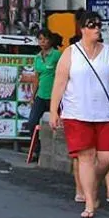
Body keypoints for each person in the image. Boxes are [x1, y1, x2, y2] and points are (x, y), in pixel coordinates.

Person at [50, 11, 109, 218]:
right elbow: (60, 83)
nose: (97, 28)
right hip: (77, 113)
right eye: (92, 25)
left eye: (99, 25)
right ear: (82, 29)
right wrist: (54, 110)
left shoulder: (108, 52)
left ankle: (91, 185)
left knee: (107, 157)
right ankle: (90, 202)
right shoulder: (70, 53)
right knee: (86, 157)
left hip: (104, 113)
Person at [27, 28, 61, 159]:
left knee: (58, 125)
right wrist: (32, 96)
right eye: (40, 39)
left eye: (45, 39)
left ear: (50, 40)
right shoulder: (37, 57)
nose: (43, 41)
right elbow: (36, 78)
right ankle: (37, 149)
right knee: (32, 122)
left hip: (55, 96)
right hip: (41, 95)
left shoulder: (57, 55)